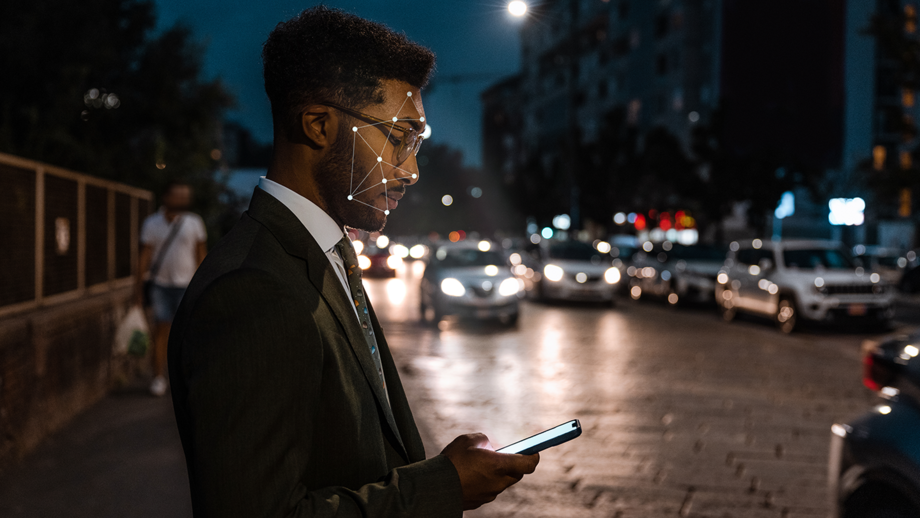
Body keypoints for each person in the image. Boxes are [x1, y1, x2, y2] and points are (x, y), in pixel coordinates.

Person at [167, 6, 539, 518]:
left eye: (417, 144)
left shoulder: (326, 252)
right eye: (397, 138)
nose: (410, 171)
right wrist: (439, 487)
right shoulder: (253, 289)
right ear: (318, 125)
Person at [136, 181, 206, 397]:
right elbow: (144, 256)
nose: (182, 199)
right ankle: (158, 378)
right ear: (166, 197)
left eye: (185, 195)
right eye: (178, 195)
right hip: (160, 285)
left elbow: (201, 254)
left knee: (187, 333)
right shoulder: (152, 223)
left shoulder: (194, 222)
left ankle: (187, 377)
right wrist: (137, 290)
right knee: (161, 331)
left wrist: (203, 284)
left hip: (187, 285)